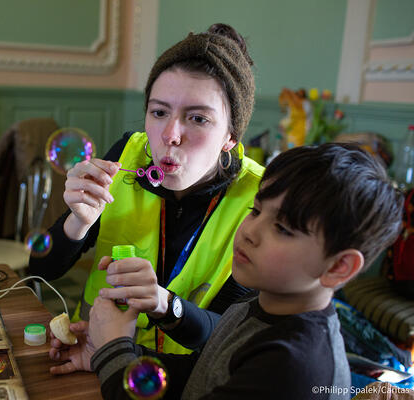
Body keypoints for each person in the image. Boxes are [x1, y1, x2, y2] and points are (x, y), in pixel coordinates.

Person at [59, 143, 404, 399]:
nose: (250, 231)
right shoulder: (257, 306)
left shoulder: (293, 366)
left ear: (339, 266)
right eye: (256, 210)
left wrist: (114, 350)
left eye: (283, 228)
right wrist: (114, 352)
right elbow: (203, 373)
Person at [30, 23, 264, 355]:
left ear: (231, 136)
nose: (170, 134)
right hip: (97, 363)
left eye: (197, 119)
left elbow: (229, 336)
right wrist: (78, 223)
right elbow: (40, 269)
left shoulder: (259, 198)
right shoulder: (127, 154)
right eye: (158, 112)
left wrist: (166, 304)